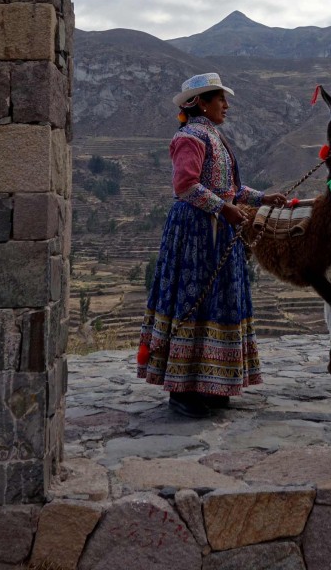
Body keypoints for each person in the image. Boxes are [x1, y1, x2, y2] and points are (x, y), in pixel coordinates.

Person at [137, 72, 286, 418]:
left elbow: (229, 187)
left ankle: (214, 383)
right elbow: (185, 186)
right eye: (221, 99)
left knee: (219, 303)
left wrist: (263, 198)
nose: (226, 105)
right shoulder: (190, 137)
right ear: (202, 102)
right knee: (194, 300)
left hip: (218, 232)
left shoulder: (214, 136)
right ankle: (182, 389)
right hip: (196, 234)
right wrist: (223, 209)